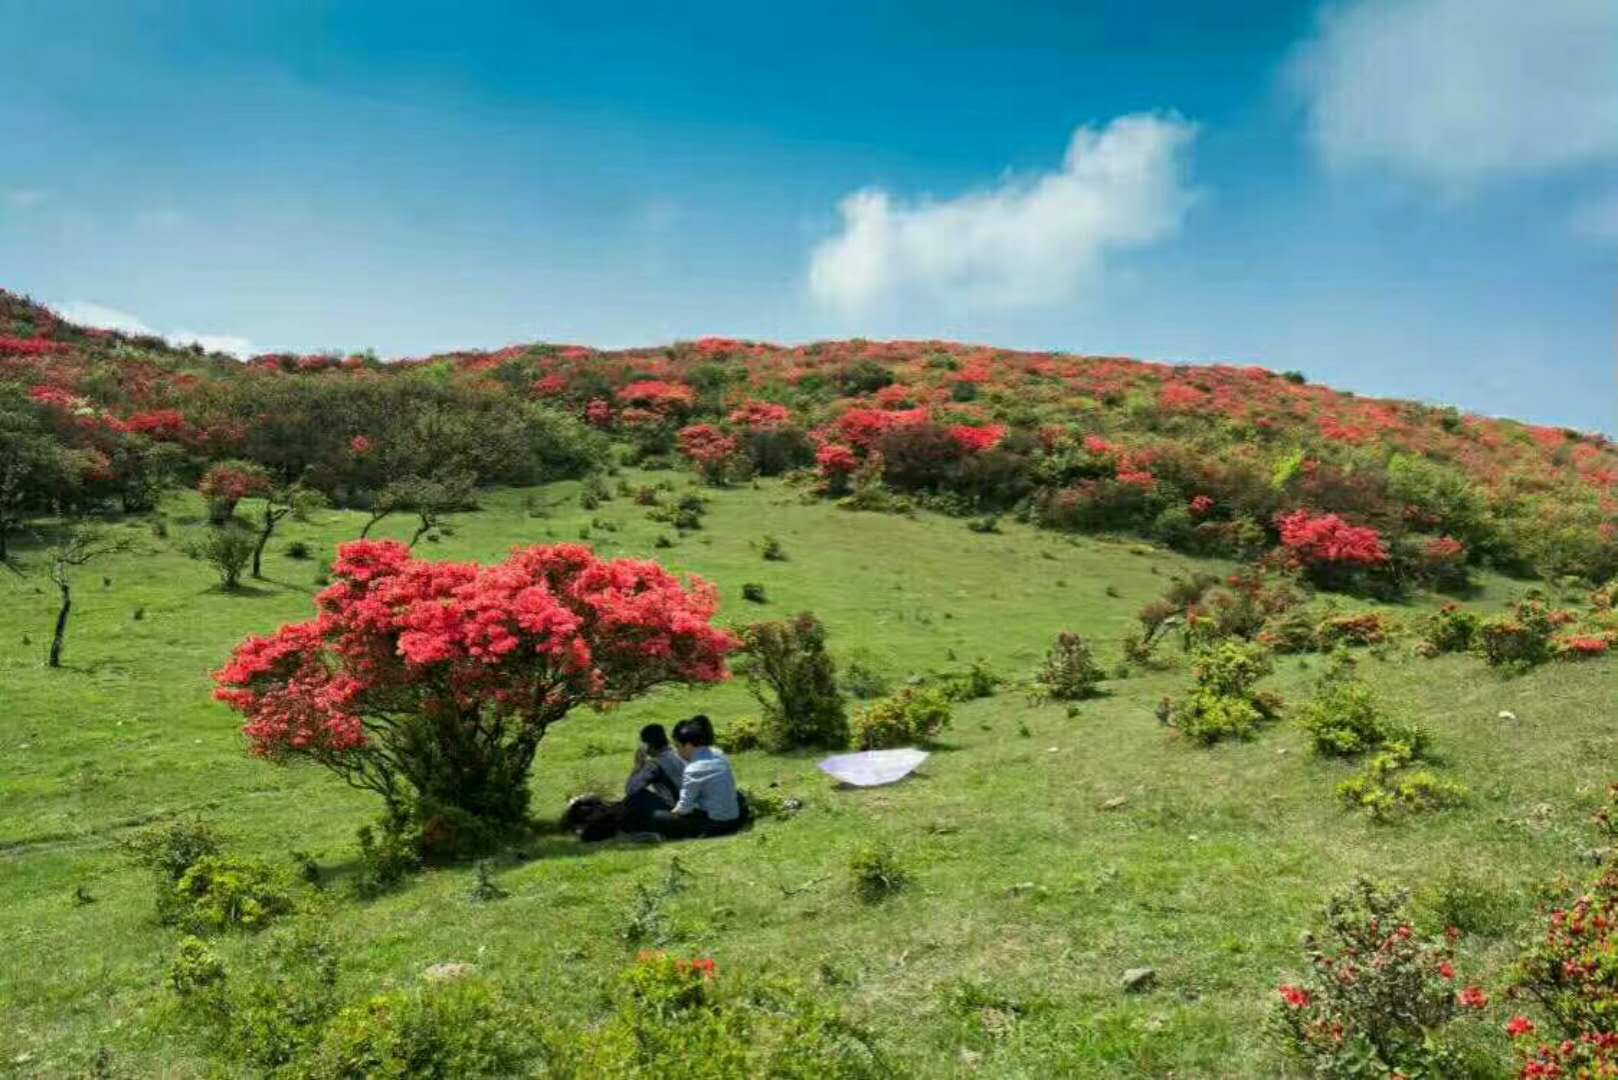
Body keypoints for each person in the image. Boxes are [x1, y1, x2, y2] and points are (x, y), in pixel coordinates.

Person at [650, 715, 748, 839]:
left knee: (658, 817)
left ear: (689, 745)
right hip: (735, 818)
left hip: (716, 825)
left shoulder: (694, 769)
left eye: (678, 746)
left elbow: (684, 808)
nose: (677, 751)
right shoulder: (719, 754)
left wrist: (671, 813)